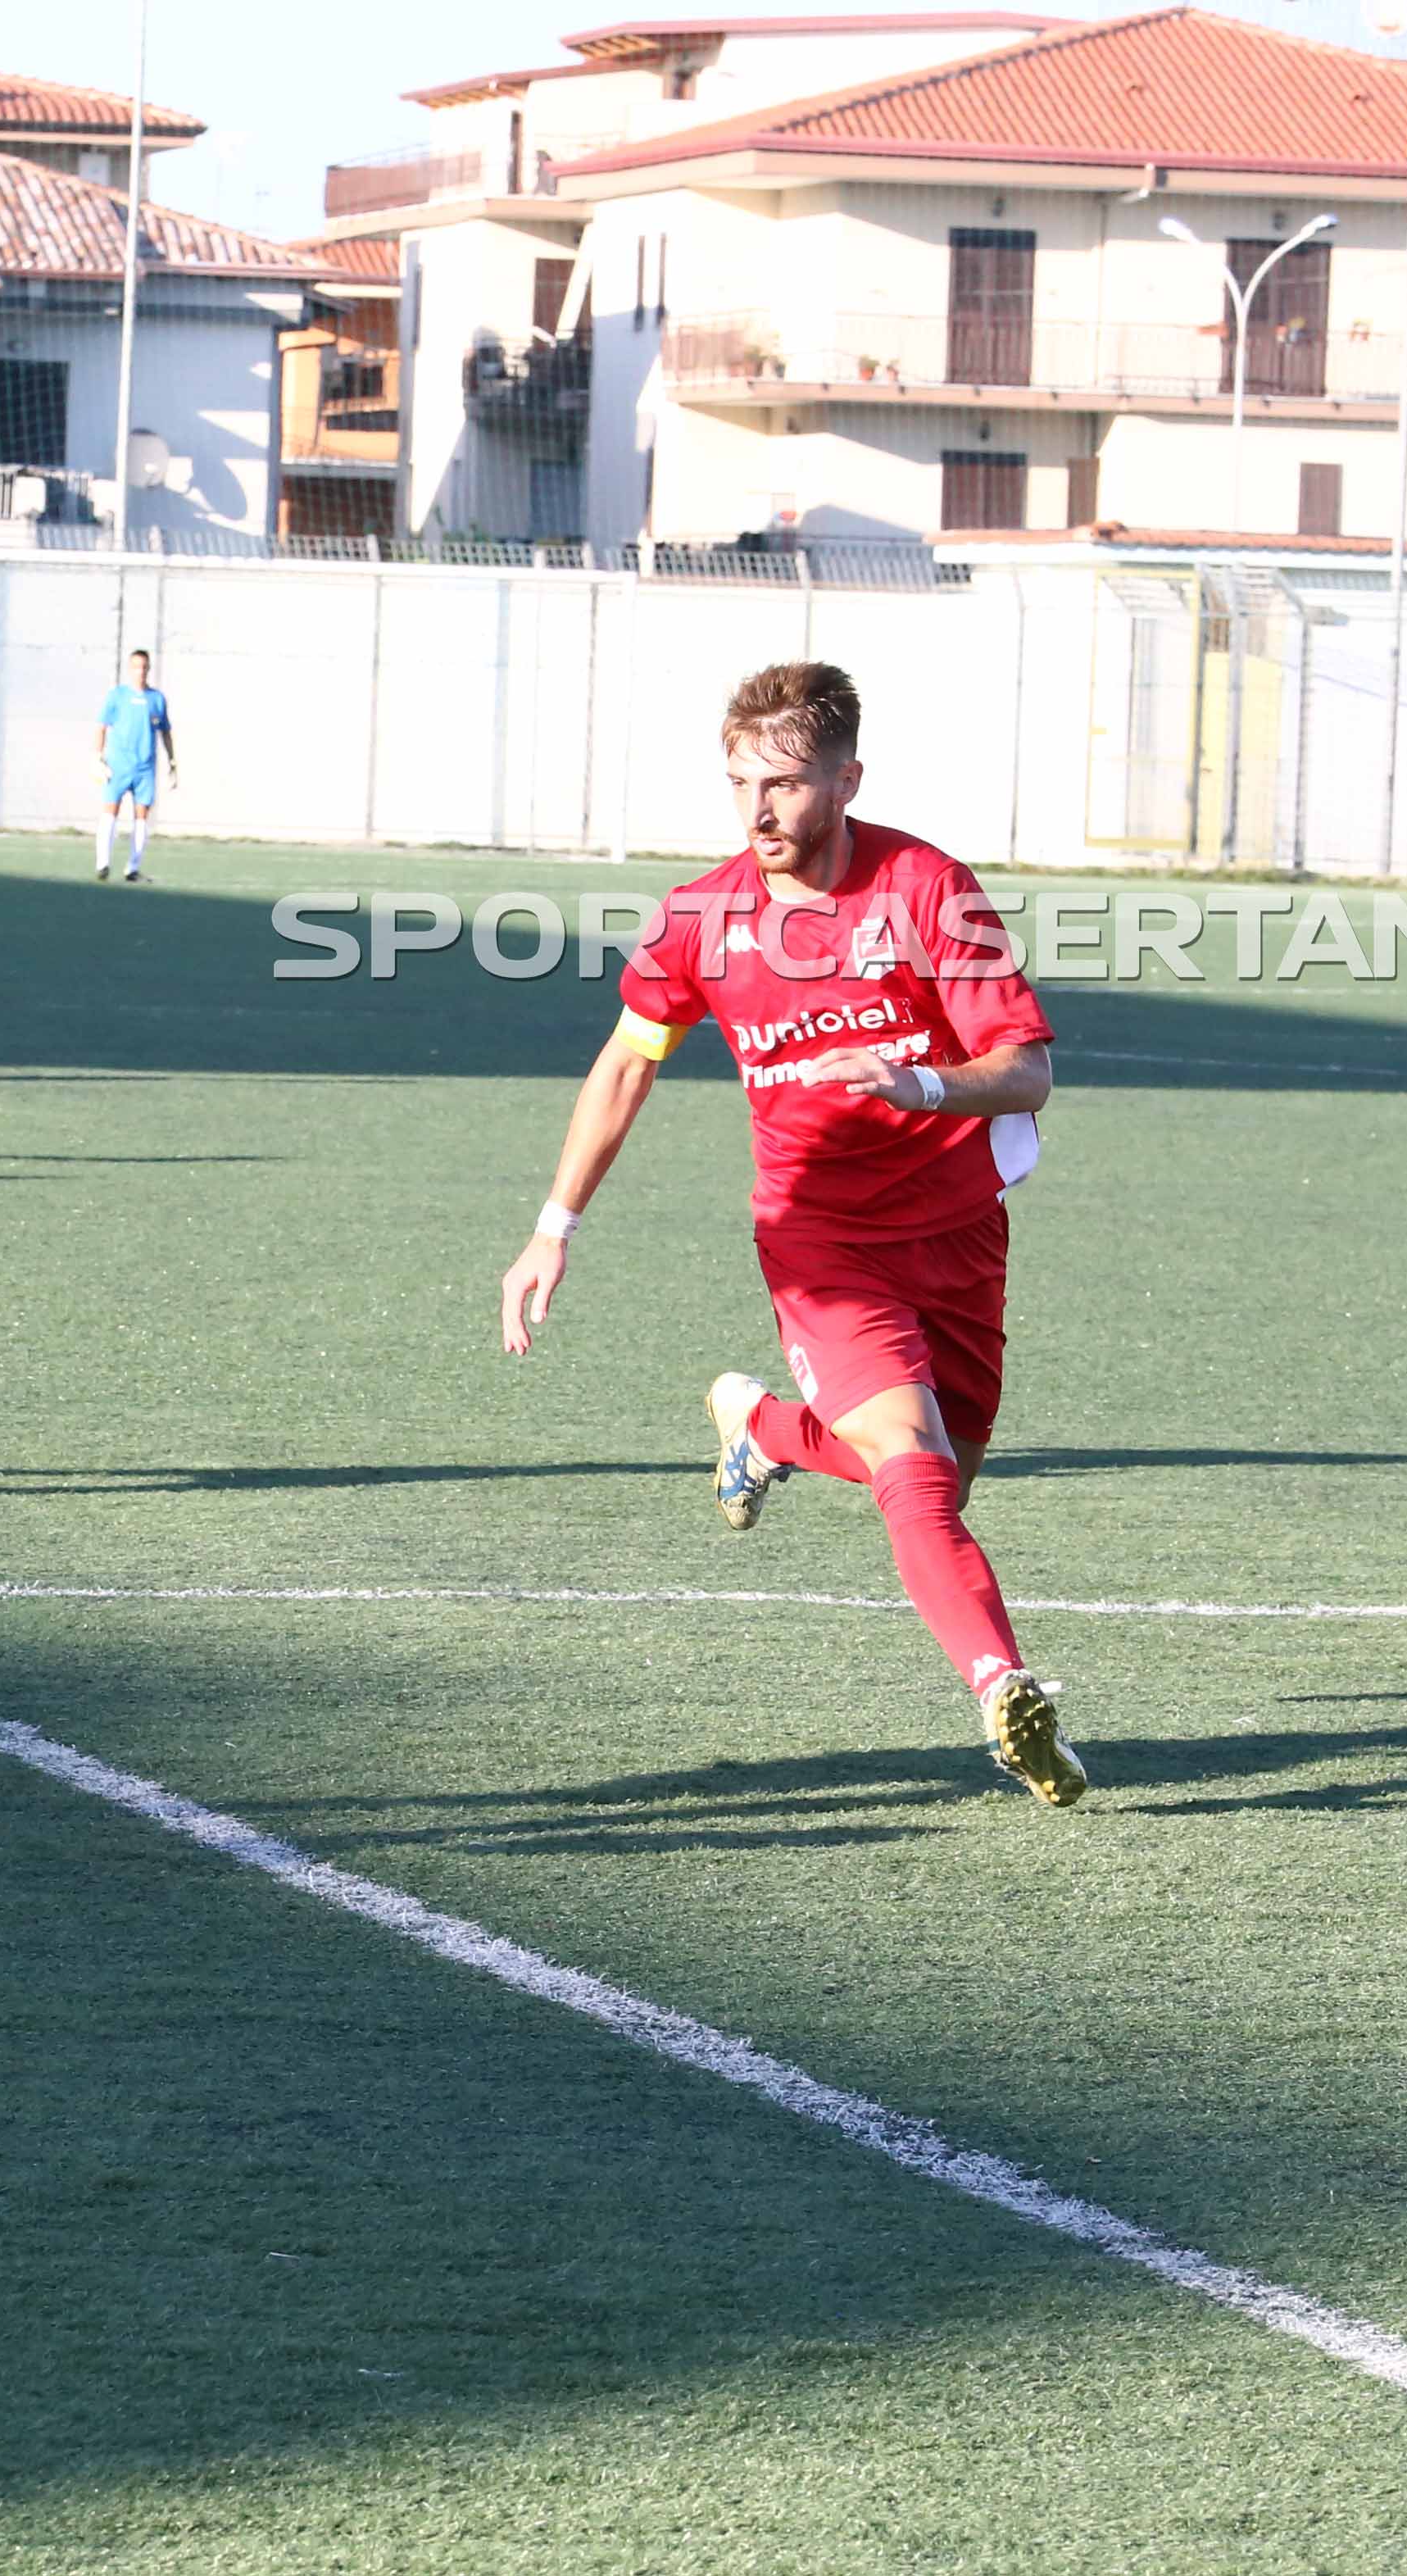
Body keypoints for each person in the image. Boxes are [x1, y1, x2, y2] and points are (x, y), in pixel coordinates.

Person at [493, 659, 1084, 1806]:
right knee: (911, 1476)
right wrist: (551, 1225)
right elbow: (627, 1061)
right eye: (736, 783)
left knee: (940, 1479)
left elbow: (1028, 1071)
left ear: (844, 777)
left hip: (958, 1234)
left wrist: (913, 1082)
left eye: (781, 783)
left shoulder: (925, 887)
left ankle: (759, 1423)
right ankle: (1004, 1689)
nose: (756, 810)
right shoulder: (703, 915)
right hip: (817, 1239)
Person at [93, 647, 175, 883]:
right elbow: (101, 727)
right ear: (130, 669)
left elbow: (166, 732)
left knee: (141, 816)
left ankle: (132, 868)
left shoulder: (156, 699)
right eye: (137, 667)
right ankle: (103, 864)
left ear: (149, 669)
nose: (141, 671)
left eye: (144, 667)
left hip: (145, 768)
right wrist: (97, 758)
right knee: (110, 811)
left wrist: (172, 762)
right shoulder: (117, 696)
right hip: (118, 765)